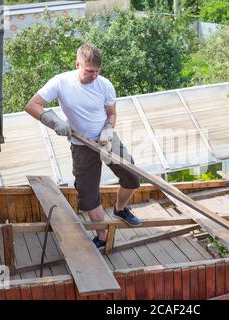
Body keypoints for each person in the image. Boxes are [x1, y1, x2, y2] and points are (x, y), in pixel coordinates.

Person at [25, 43, 141, 250]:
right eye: (89, 71)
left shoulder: (104, 84)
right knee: (87, 195)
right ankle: (102, 236)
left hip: (106, 139)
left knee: (132, 175)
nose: (94, 76)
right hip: (81, 145)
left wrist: (108, 128)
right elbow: (32, 105)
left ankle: (120, 209)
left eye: (97, 71)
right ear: (77, 64)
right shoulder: (61, 82)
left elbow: (111, 113)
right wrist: (54, 122)